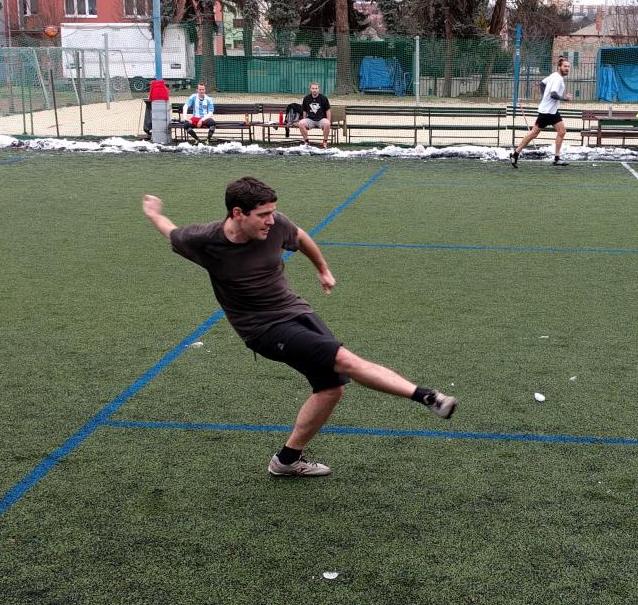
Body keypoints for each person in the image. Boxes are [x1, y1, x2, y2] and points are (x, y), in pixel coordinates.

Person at [141, 177, 458, 477]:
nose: (271, 220)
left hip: (295, 311)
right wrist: (155, 214)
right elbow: (172, 232)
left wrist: (322, 269)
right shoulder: (204, 240)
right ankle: (428, 397)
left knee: (331, 388)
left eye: (273, 212)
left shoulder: (276, 225)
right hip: (263, 329)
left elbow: (301, 237)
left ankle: (287, 460)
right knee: (344, 360)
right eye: (263, 215)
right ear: (238, 213)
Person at [510, 56, 572, 168]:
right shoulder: (557, 78)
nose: (567, 68)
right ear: (559, 67)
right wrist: (565, 99)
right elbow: (553, 94)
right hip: (546, 112)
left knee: (562, 131)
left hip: (552, 112)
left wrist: (544, 96)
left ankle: (557, 158)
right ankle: (515, 154)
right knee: (533, 134)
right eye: (565, 66)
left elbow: (542, 83)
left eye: (568, 66)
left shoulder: (553, 75)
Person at [297, 81, 333, 148]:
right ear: (310, 89)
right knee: (301, 123)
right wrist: (304, 120)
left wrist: (329, 121)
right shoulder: (306, 98)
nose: (314, 90)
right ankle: (306, 141)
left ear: (319, 89)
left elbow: (328, 110)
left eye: (316, 88)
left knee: (327, 123)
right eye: (313, 88)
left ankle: (325, 141)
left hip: (321, 119)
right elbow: (304, 111)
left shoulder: (324, 98)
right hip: (310, 119)